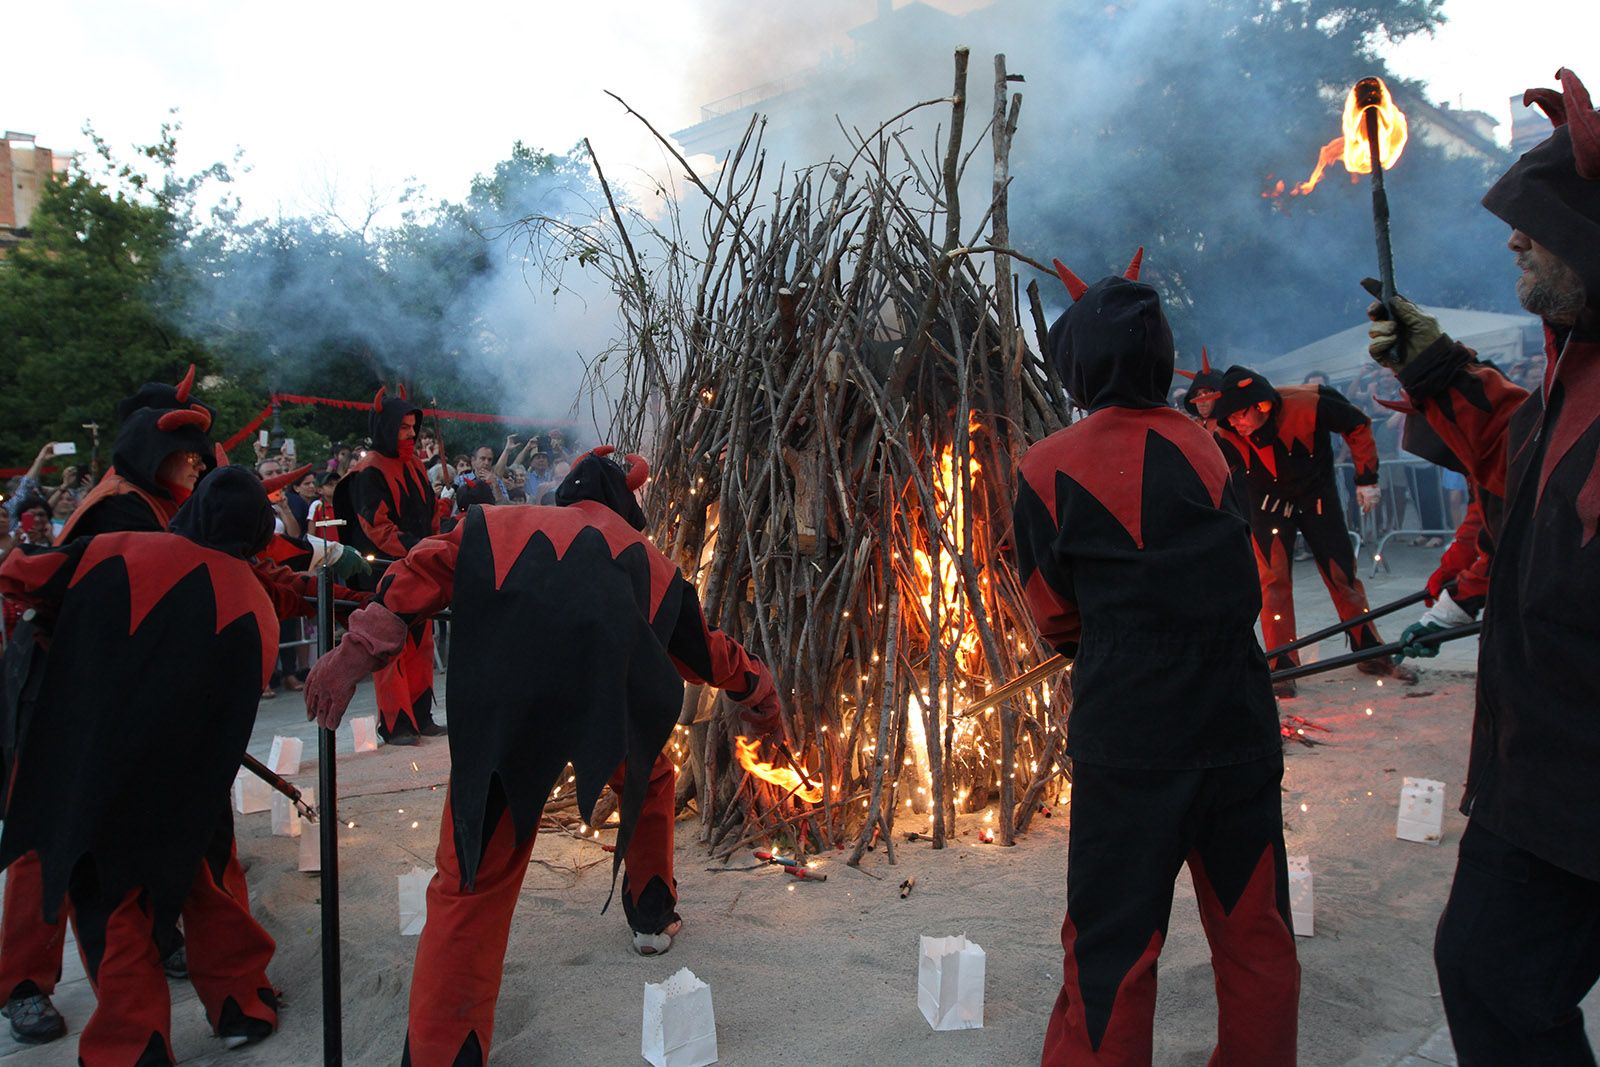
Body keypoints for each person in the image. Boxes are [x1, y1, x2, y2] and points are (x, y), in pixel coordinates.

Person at [304, 446, 783, 1067]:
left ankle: (442, 1053)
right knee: (652, 777)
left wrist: (359, 646)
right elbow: (701, 652)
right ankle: (651, 914)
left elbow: (421, 571)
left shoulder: (496, 524)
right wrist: (757, 688)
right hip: (597, 718)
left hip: (510, 720)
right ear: (625, 507)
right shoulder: (651, 562)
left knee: (470, 878)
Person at [1363, 66, 1600, 1064]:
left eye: (1538, 222)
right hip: (1537, 771)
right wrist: (1435, 368)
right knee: (1487, 971)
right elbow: (1520, 453)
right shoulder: (1573, 373)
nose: (1514, 237)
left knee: (1496, 975)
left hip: (1579, 772)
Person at [1016, 252, 1298, 1065]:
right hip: (1237, 711)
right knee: (1255, 928)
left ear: (1077, 366)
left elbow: (1052, 609)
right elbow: (1236, 568)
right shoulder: (1211, 448)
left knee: (1112, 941)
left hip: (1131, 730)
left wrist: (1103, 643)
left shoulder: (1045, 466)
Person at [0, 467, 283, 1064]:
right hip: (189, 784)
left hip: (101, 768)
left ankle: (134, 1045)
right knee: (201, 885)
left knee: (116, 904)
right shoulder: (254, 601)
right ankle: (241, 1004)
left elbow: (25, 574)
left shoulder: (119, 548)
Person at [1209, 364, 1417, 696]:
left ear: (1261, 404)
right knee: (1273, 584)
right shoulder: (1224, 432)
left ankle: (1370, 651)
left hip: (1318, 500)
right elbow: (1209, 469)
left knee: (1343, 577)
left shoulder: (1310, 402)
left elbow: (1358, 425)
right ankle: (1282, 666)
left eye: (1238, 415)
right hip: (1266, 507)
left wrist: (1367, 478)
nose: (1234, 422)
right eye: (1229, 417)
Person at [332, 386, 444, 744]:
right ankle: (396, 725)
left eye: (413, 427)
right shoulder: (368, 472)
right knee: (391, 648)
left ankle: (422, 716)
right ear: (386, 428)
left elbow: (428, 513)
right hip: (386, 571)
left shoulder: (414, 464)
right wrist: (421, 549)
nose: (412, 434)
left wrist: (436, 542)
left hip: (418, 565)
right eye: (404, 428)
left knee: (422, 643)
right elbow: (377, 528)